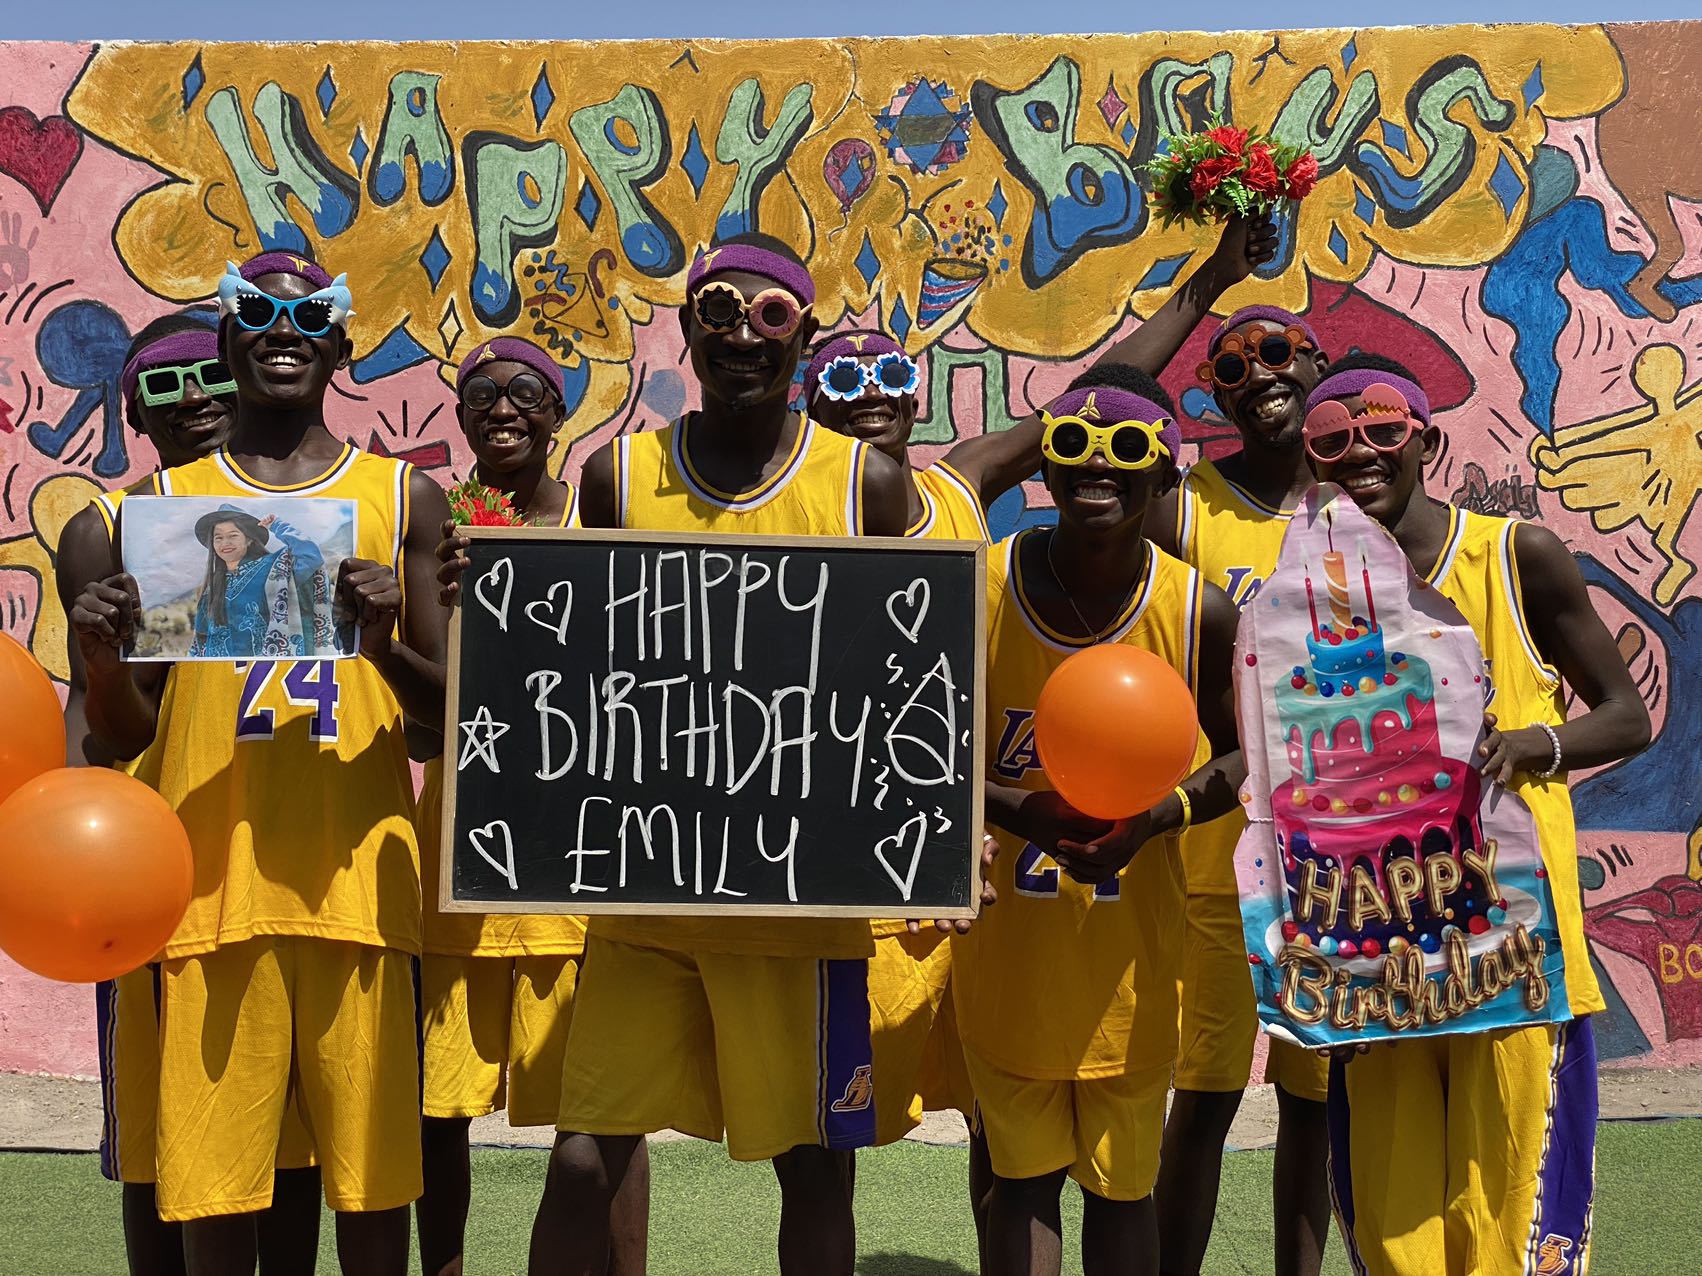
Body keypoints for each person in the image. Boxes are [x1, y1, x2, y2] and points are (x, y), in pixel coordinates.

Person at [798, 217, 1276, 1228]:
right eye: (840, 385)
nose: (869, 398)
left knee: (1016, 1136)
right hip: (866, 877)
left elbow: (1095, 399)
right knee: (828, 1136)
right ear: (807, 410)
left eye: (888, 379)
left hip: (991, 886)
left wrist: (1208, 283)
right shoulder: (783, 519)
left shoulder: (955, 490)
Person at [496, 231, 920, 1276]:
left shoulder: (864, 481)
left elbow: (908, 683)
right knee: (585, 1156)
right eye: (719, 313)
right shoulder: (620, 475)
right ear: (687, 329)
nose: (742, 336)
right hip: (648, 888)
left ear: (803, 337)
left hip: (799, 897)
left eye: (769, 316)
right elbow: (579, 665)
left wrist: (934, 841)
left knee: (815, 1163)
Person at [69, 250, 452, 1276]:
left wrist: (383, 645)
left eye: (309, 312)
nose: (285, 329)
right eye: (258, 311)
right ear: (229, 335)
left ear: (341, 340)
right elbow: (121, 732)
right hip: (209, 898)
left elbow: (450, 714)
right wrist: (103, 656)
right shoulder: (156, 510)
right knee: (214, 1192)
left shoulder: (404, 497)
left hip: (359, 894)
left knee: (373, 1193)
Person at [1301, 353, 1650, 1276]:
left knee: (1509, 1219)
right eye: (1332, 441)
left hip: (1515, 946)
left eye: (1382, 432)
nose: (1359, 454)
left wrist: (1537, 744)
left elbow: (1629, 715)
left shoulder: (1514, 553)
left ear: (1428, 439)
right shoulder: (1310, 594)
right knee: (1394, 1219)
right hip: (1377, 948)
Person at [959, 366, 1244, 1276]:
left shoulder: (1197, 609)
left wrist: (1156, 817)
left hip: (1131, 954)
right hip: (1008, 947)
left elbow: (1250, 761)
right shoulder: (982, 585)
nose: (1100, 468)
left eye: (1128, 451)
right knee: (1023, 1179)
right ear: (1044, 467)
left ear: (1165, 477)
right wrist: (1017, 812)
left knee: (1124, 1188)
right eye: (1075, 448)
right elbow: (909, 742)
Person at [56, 315, 322, 1276]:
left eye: (207, 374)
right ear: (134, 411)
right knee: (164, 1144)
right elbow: (112, 729)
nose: (195, 398)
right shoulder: (110, 528)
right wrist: (100, 651)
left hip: (282, 866)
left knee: (289, 1139)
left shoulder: (301, 519)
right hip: (158, 873)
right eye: (162, 387)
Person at [421, 337, 647, 1276]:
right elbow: (419, 714)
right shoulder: (434, 528)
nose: (502, 408)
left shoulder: (605, 525)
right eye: (482, 395)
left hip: (577, 860)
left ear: (559, 416)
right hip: (463, 859)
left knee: (603, 1122)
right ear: (463, 417)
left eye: (525, 394)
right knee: (436, 1111)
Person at [1145, 304, 1336, 1276]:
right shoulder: (1181, 509)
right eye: (1229, 367)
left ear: (1317, 362)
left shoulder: (1361, 499)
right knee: (1207, 1097)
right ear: (1212, 392)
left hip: (1338, 861)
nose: (1255, 373)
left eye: (1274, 352)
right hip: (1216, 857)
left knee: (1314, 1099)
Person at [186, 505, 333, 659]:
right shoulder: (212, 586)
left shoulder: (274, 567)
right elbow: (201, 639)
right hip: (221, 674)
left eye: (233, 535)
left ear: (249, 539)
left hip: (265, 672)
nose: (225, 543)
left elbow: (310, 556)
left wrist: (277, 526)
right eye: (219, 537)